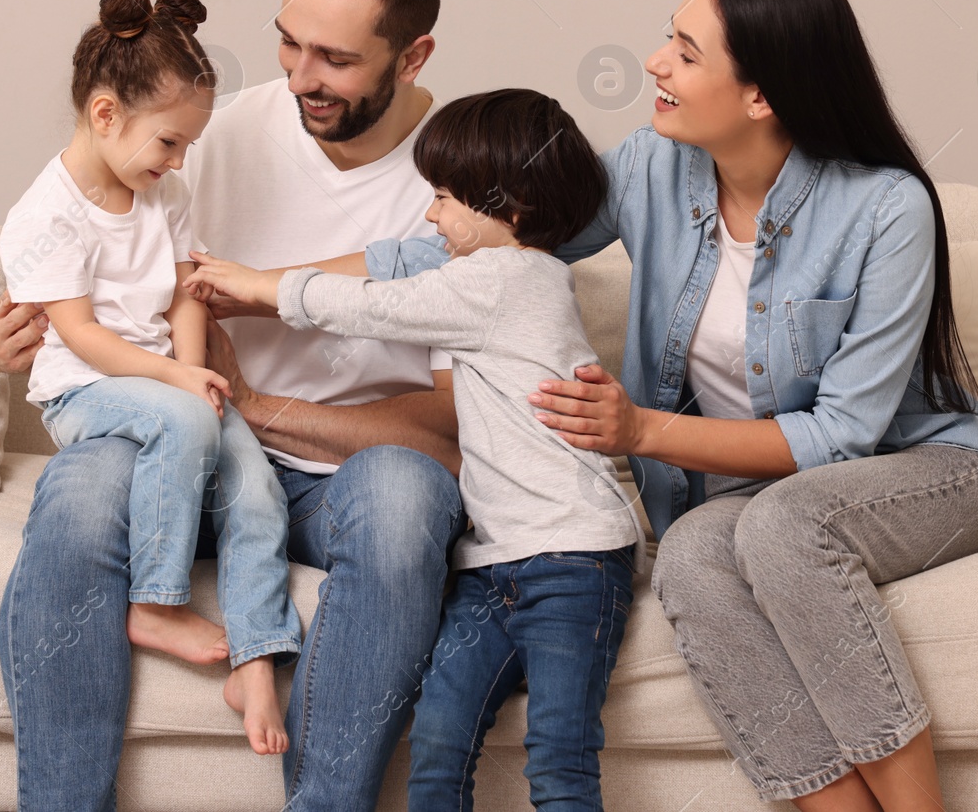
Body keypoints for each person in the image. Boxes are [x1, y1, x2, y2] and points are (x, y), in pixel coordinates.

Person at [368, 0, 978, 812]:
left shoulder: (887, 209)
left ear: (762, 97)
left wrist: (639, 432)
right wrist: (265, 285)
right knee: (691, 558)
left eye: (685, 48)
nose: (654, 62)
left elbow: (841, 437)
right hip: (741, 500)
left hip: (922, 472)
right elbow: (501, 237)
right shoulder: (650, 168)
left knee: (783, 526)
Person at [0, 0, 465, 810]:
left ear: (414, 55)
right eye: (290, 43)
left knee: (409, 500)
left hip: (339, 470)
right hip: (182, 440)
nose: (300, 76)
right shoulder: (204, 131)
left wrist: (257, 404)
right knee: (81, 494)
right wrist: (9, 332)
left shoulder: (461, 180)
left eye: (336, 58)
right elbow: (90, 245)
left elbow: (447, 433)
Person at [186, 89, 644, 811]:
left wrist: (260, 286)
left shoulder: (508, 279)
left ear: (512, 209)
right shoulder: (487, 272)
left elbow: (374, 303)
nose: (431, 215)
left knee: (559, 760)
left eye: (445, 198)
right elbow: (398, 268)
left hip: (574, 559)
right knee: (437, 743)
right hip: (495, 565)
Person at [0, 0, 300, 755]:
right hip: (88, 392)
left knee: (258, 486)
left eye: (187, 145)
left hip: (169, 389)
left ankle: (258, 655)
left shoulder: (161, 195)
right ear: (106, 114)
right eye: (169, 141)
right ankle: (155, 600)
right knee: (183, 416)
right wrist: (178, 388)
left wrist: (199, 378)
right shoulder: (47, 213)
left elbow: (185, 296)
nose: (177, 160)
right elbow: (83, 335)